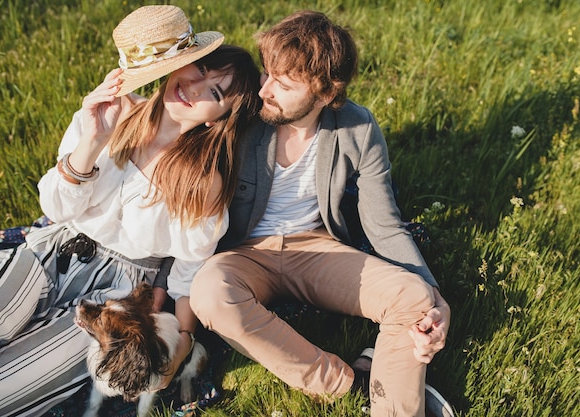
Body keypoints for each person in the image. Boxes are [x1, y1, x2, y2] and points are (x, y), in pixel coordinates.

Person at [0, 5, 261, 416]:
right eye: (199, 69)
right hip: (52, 248)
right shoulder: (113, 114)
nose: (194, 86)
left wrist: (184, 340)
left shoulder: (200, 179)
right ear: (176, 65)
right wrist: (92, 140)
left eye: (215, 92)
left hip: (116, 298)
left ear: (219, 118)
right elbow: (55, 206)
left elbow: (190, 266)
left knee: (8, 384)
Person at [189, 10, 452, 417]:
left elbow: (384, 223)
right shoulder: (244, 114)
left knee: (415, 299)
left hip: (317, 248)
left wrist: (436, 299)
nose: (266, 90)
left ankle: (393, 409)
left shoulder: (357, 128)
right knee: (209, 292)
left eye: (285, 84)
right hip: (245, 252)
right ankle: (345, 384)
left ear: (327, 94)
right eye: (267, 73)